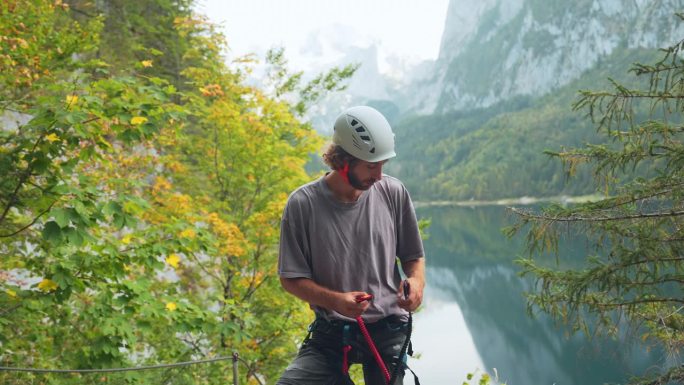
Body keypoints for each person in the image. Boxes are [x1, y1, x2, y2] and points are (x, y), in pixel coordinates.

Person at [276, 105, 426, 385]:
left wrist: (416, 283)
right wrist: (336, 301)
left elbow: (413, 256)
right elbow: (291, 279)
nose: (379, 175)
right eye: (371, 166)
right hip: (331, 331)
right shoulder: (302, 205)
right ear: (344, 160)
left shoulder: (393, 192)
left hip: (389, 327)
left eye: (383, 165)